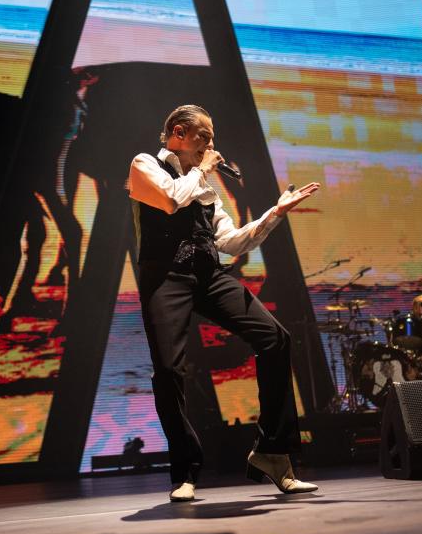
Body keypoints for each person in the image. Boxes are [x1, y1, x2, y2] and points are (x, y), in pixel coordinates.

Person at [128, 104, 321, 502]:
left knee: (276, 338)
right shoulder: (145, 164)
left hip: (208, 275)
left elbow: (231, 242)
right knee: (169, 370)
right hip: (166, 278)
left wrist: (275, 213)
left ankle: (273, 453)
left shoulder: (206, 189)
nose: (212, 146)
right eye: (205, 138)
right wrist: (203, 171)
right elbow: (169, 201)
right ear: (178, 133)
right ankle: (185, 470)